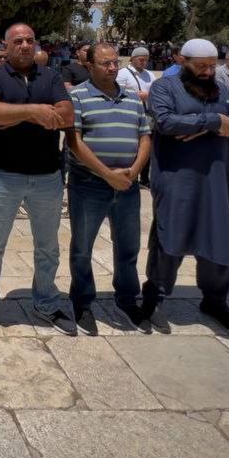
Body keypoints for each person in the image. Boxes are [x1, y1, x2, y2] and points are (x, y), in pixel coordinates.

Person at [140, 39, 229, 334]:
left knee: (216, 237)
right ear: (182, 60)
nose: (206, 71)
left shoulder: (220, 88)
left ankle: (215, 300)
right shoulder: (165, 87)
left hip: (214, 178)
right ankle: (156, 299)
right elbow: (165, 122)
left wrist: (201, 124)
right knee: (170, 236)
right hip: (176, 178)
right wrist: (214, 121)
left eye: (212, 66)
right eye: (200, 66)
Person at [0, 24, 75, 338]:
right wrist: (34, 112)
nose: (25, 45)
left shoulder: (51, 77)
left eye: (30, 40)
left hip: (46, 177)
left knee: (48, 247)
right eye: (18, 41)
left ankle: (45, 302)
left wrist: (12, 116)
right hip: (4, 175)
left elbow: (66, 116)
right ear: (6, 46)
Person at [66, 41, 152, 334]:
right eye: (105, 63)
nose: (113, 68)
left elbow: (145, 137)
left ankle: (127, 299)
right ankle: (82, 301)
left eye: (115, 62)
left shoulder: (131, 97)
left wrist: (134, 171)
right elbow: (74, 142)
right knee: (82, 248)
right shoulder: (77, 96)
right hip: (89, 184)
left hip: (127, 184)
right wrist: (107, 174)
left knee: (128, 247)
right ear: (89, 65)